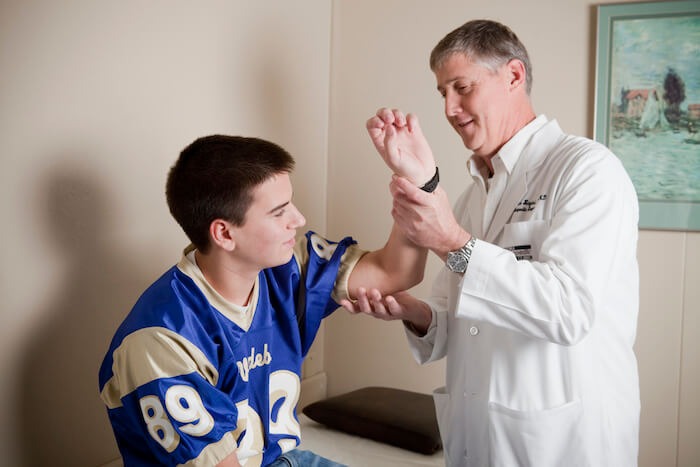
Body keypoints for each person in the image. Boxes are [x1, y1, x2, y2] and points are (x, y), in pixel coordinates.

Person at [341, 19, 640, 466]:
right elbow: (457, 323)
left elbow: (568, 311)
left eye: (462, 87)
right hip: (478, 435)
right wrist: (417, 314)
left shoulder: (587, 171)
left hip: (561, 442)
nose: (450, 107)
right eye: (442, 92)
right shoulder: (470, 197)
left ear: (514, 76)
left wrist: (452, 241)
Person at [98, 135, 433, 466]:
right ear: (225, 234)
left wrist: (420, 184)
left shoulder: (286, 267)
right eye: (279, 212)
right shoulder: (161, 339)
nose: (298, 220)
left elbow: (397, 272)